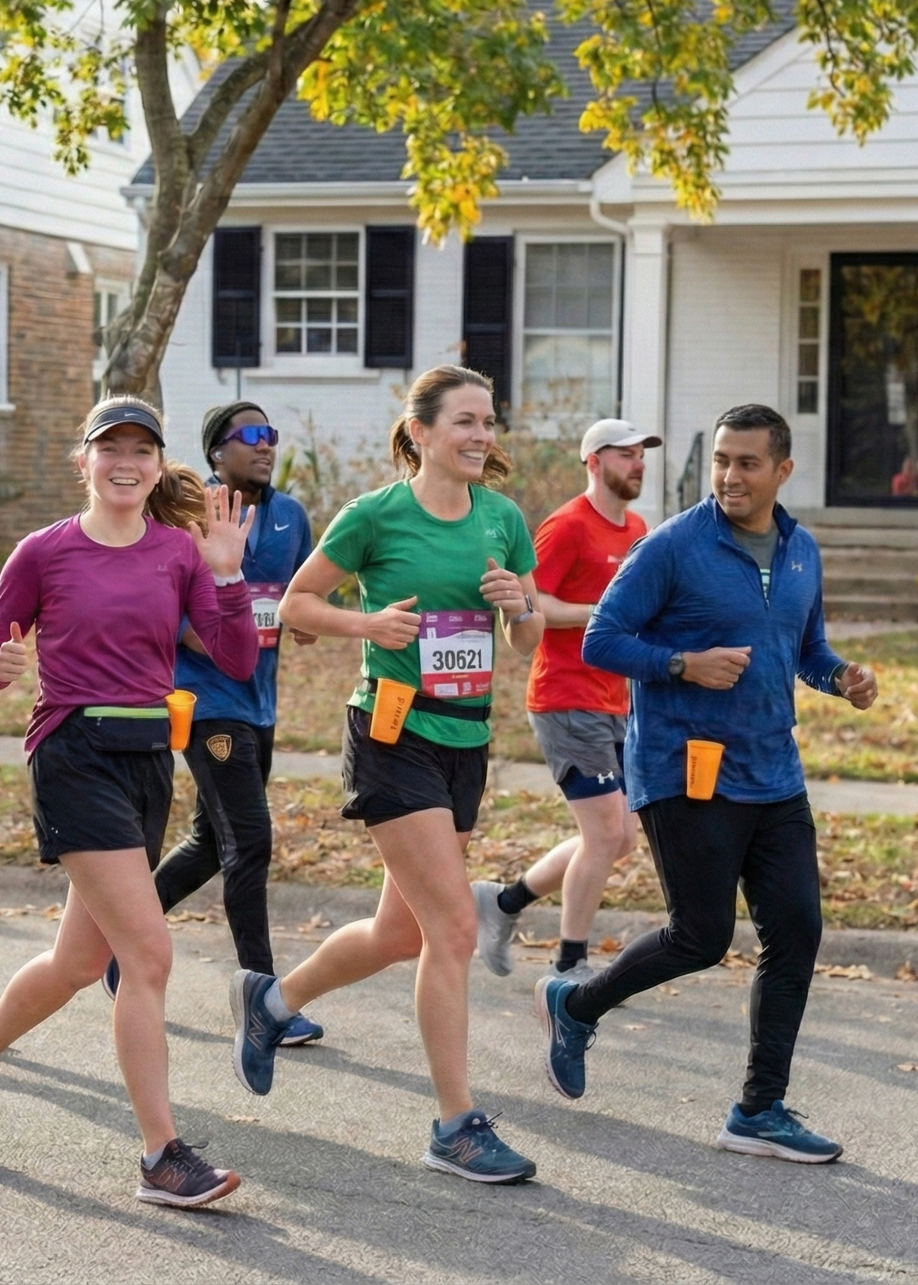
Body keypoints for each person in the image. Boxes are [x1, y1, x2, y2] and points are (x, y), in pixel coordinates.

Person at [0, 396, 256, 1210]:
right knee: (146, 954)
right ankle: (159, 1154)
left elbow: (236, 657)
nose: (126, 460)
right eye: (110, 446)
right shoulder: (45, 552)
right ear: (84, 461)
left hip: (149, 755)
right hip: (73, 751)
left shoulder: (178, 553)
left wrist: (227, 571)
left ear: (156, 465)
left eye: (142, 448)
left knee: (78, 961)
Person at [543, 403, 880, 1164]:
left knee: (797, 929)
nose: (730, 474)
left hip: (773, 772)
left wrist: (842, 678)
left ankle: (759, 1109)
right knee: (701, 936)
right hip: (684, 769)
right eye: (723, 460)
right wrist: (680, 665)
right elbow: (602, 638)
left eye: (747, 462)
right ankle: (577, 1002)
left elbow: (806, 648)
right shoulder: (673, 547)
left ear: (782, 471)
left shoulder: (801, 551)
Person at [235, 365, 544, 1187]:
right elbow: (297, 604)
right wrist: (365, 622)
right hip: (391, 731)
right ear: (421, 433)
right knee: (452, 929)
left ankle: (270, 1002)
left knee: (399, 933)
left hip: (465, 738)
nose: (481, 436)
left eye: (488, 422)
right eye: (465, 422)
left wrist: (520, 607)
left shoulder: (504, 519)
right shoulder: (377, 514)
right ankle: (455, 1124)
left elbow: (527, 640)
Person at [113, 401, 322, 1044]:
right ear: (216, 453)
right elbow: (163, 612)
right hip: (204, 703)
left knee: (211, 841)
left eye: (272, 435)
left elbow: (302, 612)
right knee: (250, 841)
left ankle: (118, 943)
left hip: (261, 703)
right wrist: (228, 624)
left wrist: (300, 617)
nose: (265, 446)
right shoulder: (185, 517)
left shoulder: (290, 516)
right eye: (251, 436)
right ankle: (262, 996)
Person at [474, 418, 658, 982]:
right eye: (626, 455)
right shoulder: (566, 526)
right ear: (595, 462)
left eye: (642, 455)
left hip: (615, 698)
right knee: (605, 834)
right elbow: (535, 605)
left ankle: (503, 902)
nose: (638, 464)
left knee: (619, 838)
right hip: (565, 696)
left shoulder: (638, 529)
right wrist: (604, 613)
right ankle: (570, 964)